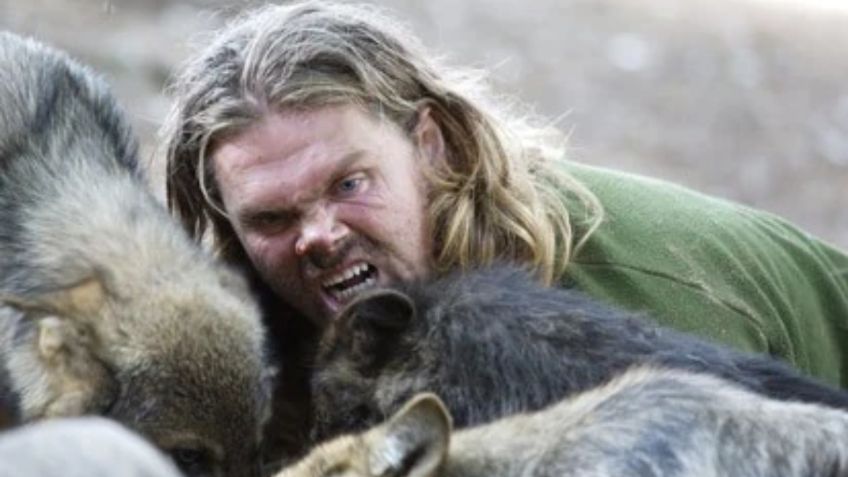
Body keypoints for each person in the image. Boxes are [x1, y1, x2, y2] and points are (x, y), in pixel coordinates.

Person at [161, 0, 848, 393]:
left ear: (430, 145)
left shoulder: (629, 303)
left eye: (349, 184)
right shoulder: (263, 326)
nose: (318, 235)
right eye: (273, 217)